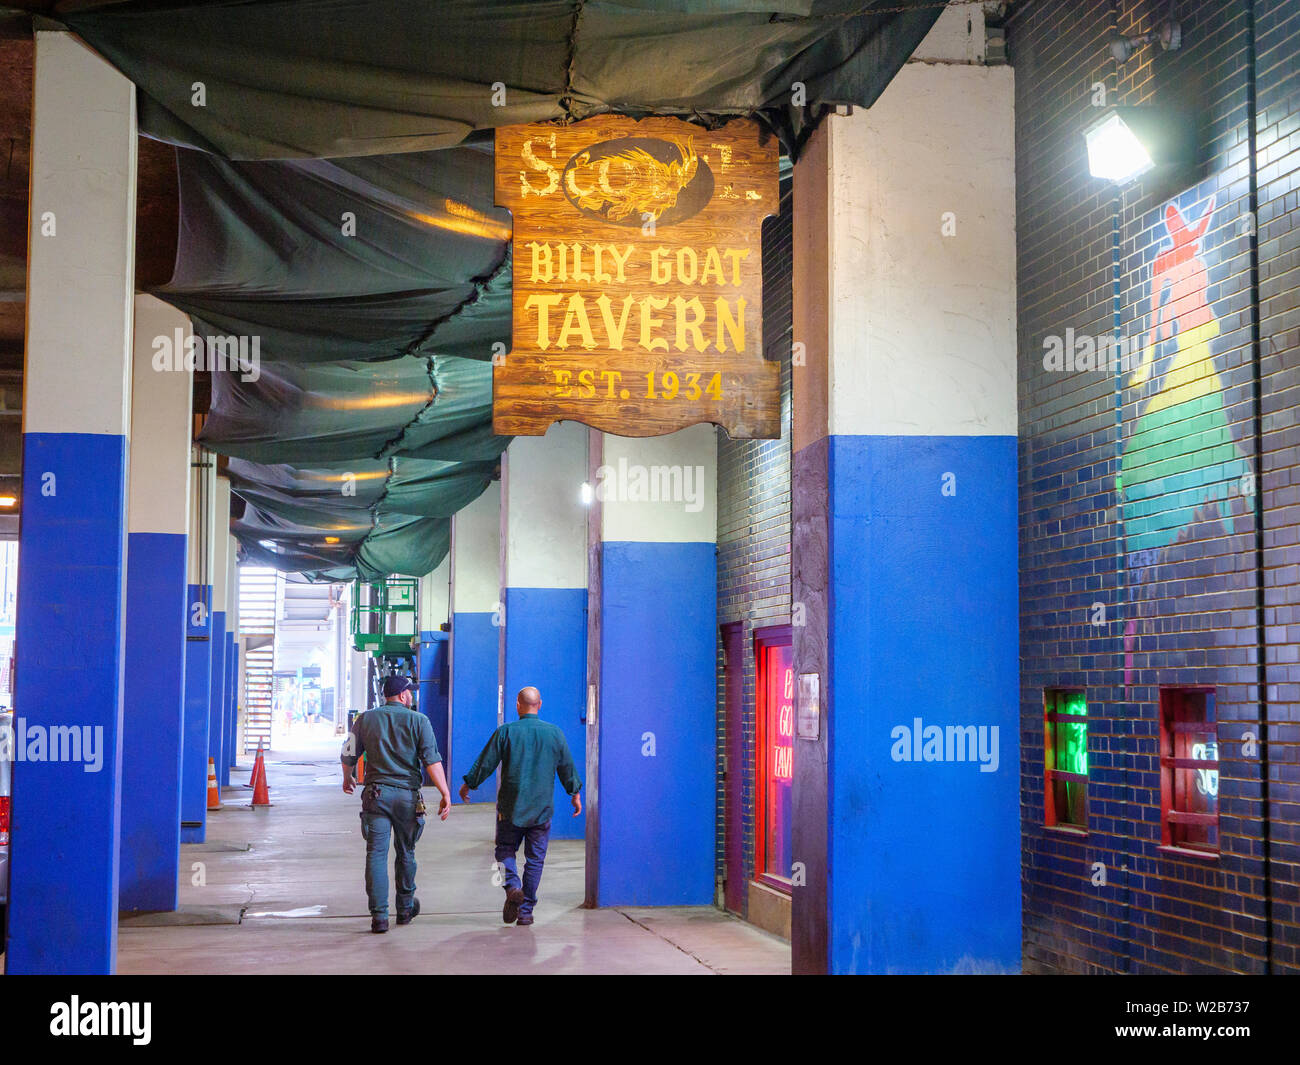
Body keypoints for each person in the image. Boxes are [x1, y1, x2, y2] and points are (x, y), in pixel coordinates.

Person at [459, 686, 582, 926]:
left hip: (511, 808)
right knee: (535, 860)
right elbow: (566, 767)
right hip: (541, 809)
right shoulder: (555, 734)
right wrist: (574, 793)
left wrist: (469, 784)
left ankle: (512, 886)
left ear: (517, 705)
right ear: (540, 704)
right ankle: (525, 912)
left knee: (504, 851)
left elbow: (486, 762)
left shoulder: (506, 732)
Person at [342, 675, 450, 933]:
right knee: (406, 852)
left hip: (376, 796)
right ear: (402, 695)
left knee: (376, 855)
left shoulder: (365, 719)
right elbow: (431, 761)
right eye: (410, 692)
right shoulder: (419, 721)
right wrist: (445, 792)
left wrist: (347, 777)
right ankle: (405, 908)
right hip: (406, 798)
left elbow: (348, 753)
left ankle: (379, 916)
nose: (412, 695)